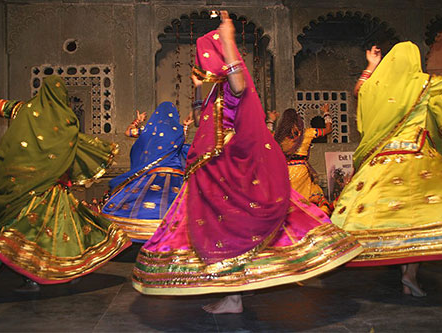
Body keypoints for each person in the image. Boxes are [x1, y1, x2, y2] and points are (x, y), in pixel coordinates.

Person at [132, 11, 362, 314]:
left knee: (235, 227)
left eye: (204, 59)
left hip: (229, 167)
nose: (201, 66)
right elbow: (208, 116)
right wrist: (200, 85)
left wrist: (227, 40)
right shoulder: (216, 87)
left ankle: (234, 297)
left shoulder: (232, 79)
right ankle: (233, 296)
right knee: (222, 229)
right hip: (213, 166)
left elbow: (238, 85)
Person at [330, 33, 442, 297]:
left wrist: (371, 66)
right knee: (419, 216)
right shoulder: (423, 82)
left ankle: (407, 275)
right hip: (417, 159)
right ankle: (409, 274)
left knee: (387, 217)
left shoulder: (378, 85)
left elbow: (358, 92)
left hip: (382, 162)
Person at [0, 73, 131, 292]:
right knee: (62, 234)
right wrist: (103, 150)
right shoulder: (67, 119)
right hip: (54, 191)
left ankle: (35, 278)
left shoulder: (23, 109)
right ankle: (66, 273)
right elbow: (76, 146)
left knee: (27, 233)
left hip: (24, 189)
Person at [101, 102, 191, 242]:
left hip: (152, 174)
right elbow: (182, 142)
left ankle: (140, 231)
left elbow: (129, 132)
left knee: (136, 201)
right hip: (175, 176)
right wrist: (185, 126)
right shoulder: (178, 130)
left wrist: (137, 121)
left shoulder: (151, 129)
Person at [274, 105, 333, 214]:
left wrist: (270, 121)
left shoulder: (278, 137)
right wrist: (326, 113)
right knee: (307, 200)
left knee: (289, 204)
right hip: (301, 171)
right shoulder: (307, 133)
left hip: (284, 172)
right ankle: (311, 222)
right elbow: (328, 129)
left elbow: (264, 135)